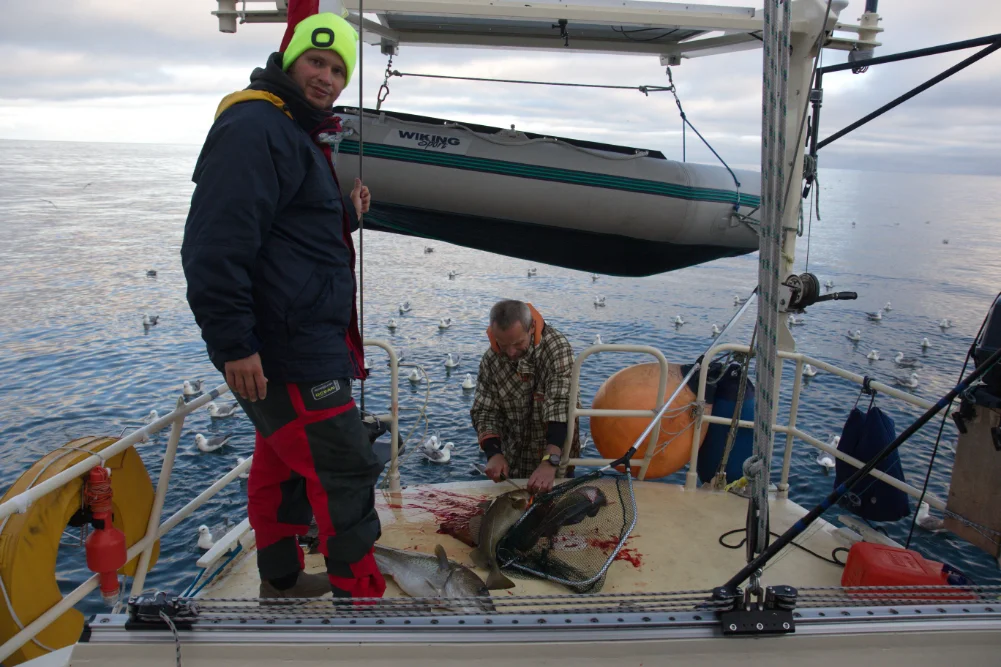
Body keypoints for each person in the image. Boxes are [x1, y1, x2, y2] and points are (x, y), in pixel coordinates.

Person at [181, 10, 386, 601]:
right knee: (345, 469)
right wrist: (235, 345)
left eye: (338, 69)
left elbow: (290, 230)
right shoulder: (255, 126)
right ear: (290, 59)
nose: (326, 77)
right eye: (316, 62)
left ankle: (281, 579)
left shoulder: (293, 129)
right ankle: (362, 599)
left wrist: (345, 212)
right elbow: (214, 244)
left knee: (278, 464)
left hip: (297, 343)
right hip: (289, 348)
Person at [471, 300, 581, 493]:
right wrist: (493, 453)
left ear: (531, 328)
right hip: (512, 463)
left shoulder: (557, 350)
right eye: (503, 344)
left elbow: (561, 405)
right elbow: (484, 411)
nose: (511, 352)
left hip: (554, 463)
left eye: (517, 343)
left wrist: (550, 462)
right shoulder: (490, 360)